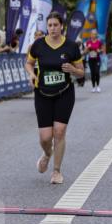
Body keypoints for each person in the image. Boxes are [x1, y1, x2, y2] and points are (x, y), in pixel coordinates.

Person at [25, 12, 84, 185]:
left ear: (62, 26)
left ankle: (56, 171)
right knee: (45, 137)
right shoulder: (38, 45)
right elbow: (28, 63)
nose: (52, 28)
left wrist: (73, 70)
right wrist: (31, 75)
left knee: (59, 132)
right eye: (49, 25)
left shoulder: (71, 46)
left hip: (64, 93)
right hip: (42, 93)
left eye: (55, 25)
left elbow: (81, 71)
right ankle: (47, 153)